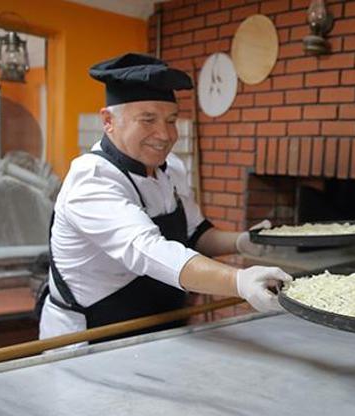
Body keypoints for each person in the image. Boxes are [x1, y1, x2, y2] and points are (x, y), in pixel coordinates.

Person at [37, 53, 289, 341]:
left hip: (159, 325)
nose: (165, 134)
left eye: (171, 120)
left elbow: (196, 234)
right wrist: (239, 281)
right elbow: (149, 250)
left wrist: (242, 241)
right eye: (148, 120)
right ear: (108, 121)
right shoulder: (92, 180)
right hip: (92, 335)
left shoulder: (171, 169)